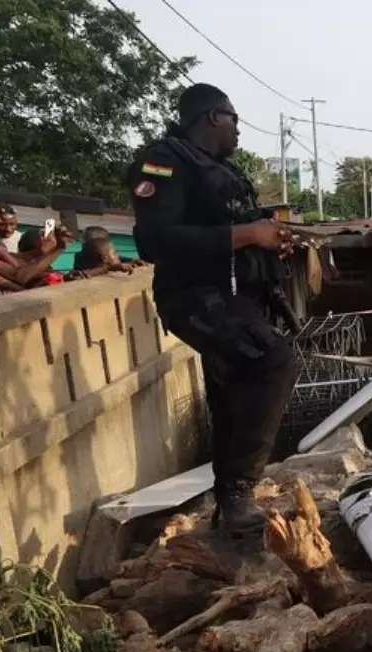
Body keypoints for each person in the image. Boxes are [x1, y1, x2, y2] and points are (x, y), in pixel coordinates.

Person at [128, 83, 299, 540]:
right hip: (194, 296)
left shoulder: (223, 170)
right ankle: (240, 491)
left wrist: (270, 239)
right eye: (235, 119)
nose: (239, 130)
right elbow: (156, 240)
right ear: (212, 117)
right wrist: (250, 235)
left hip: (239, 297)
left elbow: (234, 227)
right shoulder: (164, 161)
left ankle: (230, 510)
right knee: (274, 361)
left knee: (233, 393)